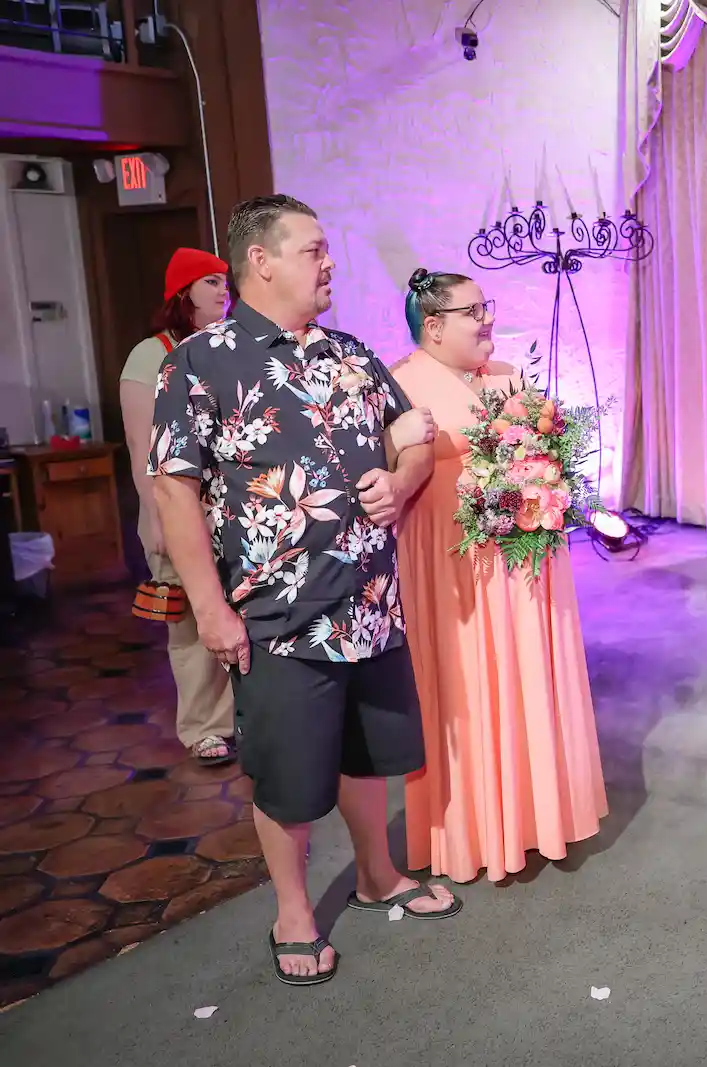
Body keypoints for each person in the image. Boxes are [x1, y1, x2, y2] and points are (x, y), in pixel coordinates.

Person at [148, 195, 460, 987]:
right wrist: (210, 608)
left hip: (370, 599)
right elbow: (175, 490)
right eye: (313, 250)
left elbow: (412, 439)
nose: (330, 263)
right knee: (288, 774)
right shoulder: (199, 362)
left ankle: (377, 875)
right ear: (261, 261)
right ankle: (292, 912)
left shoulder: (350, 353)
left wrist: (400, 480)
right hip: (276, 611)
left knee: (367, 754)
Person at [389, 267, 608, 883]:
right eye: (474, 311)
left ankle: (538, 815)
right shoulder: (400, 384)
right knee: (468, 687)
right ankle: (474, 827)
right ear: (434, 326)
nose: (488, 319)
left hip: (522, 561)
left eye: (487, 307)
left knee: (525, 675)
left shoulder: (509, 377)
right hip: (452, 564)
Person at [120, 247, 236, 767]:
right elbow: (141, 447)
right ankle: (205, 728)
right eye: (210, 282)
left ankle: (242, 719)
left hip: (230, 508)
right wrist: (158, 516)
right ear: (182, 292)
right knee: (190, 624)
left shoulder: (227, 344)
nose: (222, 291)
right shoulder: (151, 355)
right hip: (179, 505)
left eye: (224, 282)